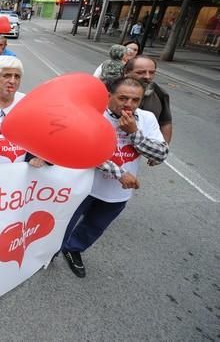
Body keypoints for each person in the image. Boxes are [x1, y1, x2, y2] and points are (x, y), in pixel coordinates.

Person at [60, 77, 168, 278]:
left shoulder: (147, 119)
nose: (128, 104)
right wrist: (119, 173)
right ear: (109, 96)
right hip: (84, 185)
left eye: (135, 100)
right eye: (123, 98)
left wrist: (134, 133)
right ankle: (48, 253)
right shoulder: (94, 113)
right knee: (63, 223)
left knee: (95, 226)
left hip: (117, 193)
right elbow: (84, 149)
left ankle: (73, 250)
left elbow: (160, 154)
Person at [124, 56, 173, 143]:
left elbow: (165, 123)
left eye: (152, 72)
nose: (147, 76)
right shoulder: (111, 89)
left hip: (145, 149)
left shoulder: (160, 93)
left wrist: (163, 148)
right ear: (127, 72)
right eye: (140, 72)